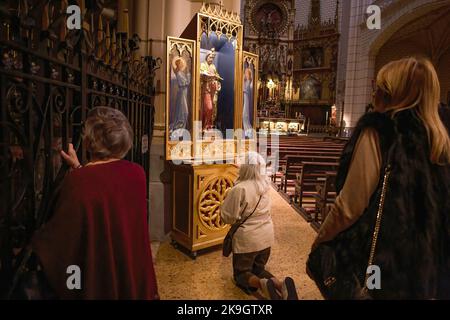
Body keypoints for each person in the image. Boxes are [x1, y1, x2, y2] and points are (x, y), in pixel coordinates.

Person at [310, 57, 450, 299]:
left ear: (392, 92)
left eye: (379, 86)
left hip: (381, 262)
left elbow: (350, 206)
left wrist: (320, 239)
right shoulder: (440, 137)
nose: (375, 92)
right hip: (425, 266)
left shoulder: (381, 130)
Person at [31, 107, 159, 299]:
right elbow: (106, 192)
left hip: (100, 274)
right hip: (129, 270)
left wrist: (35, 243)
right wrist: (80, 168)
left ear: (89, 141)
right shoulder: (137, 173)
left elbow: (63, 239)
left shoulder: (79, 181)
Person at [221, 152, 298, 300]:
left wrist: (225, 199)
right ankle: (281, 285)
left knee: (241, 274)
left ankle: (262, 284)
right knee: (258, 268)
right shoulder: (266, 185)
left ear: (244, 168)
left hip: (248, 239)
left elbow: (228, 217)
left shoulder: (239, 189)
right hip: (266, 236)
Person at [200, 48, 222, 131]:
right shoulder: (202, 65)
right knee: (208, 108)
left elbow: (217, 75)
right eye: (210, 57)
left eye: (212, 58)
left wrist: (216, 78)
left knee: (212, 108)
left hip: (213, 89)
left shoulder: (213, 66)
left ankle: (209, 125)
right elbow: (200, 74)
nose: (211, 59)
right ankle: (204, 125)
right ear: (206, 57)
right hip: (206, 89)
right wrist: (206, 74)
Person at [170, 57, 191, 138]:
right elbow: (185, 83)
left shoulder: (181, 73)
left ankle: (181, 128)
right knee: (183, 112)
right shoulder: (178, 73)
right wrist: (189, 74)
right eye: (180, 63)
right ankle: (179, 129)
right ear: (178, 65)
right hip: (182, 93)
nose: (182, 64)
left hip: (184, 93)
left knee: (183, 112)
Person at [243, 66, 253, 138]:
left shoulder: (248, 81)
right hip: (243, 97)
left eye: (246, 73)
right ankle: (246, 131)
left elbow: (245, 89)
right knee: (244, 114)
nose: (244, 74)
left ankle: (247, 132)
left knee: (245, 114)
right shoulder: (245, 81)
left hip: (245, 97)